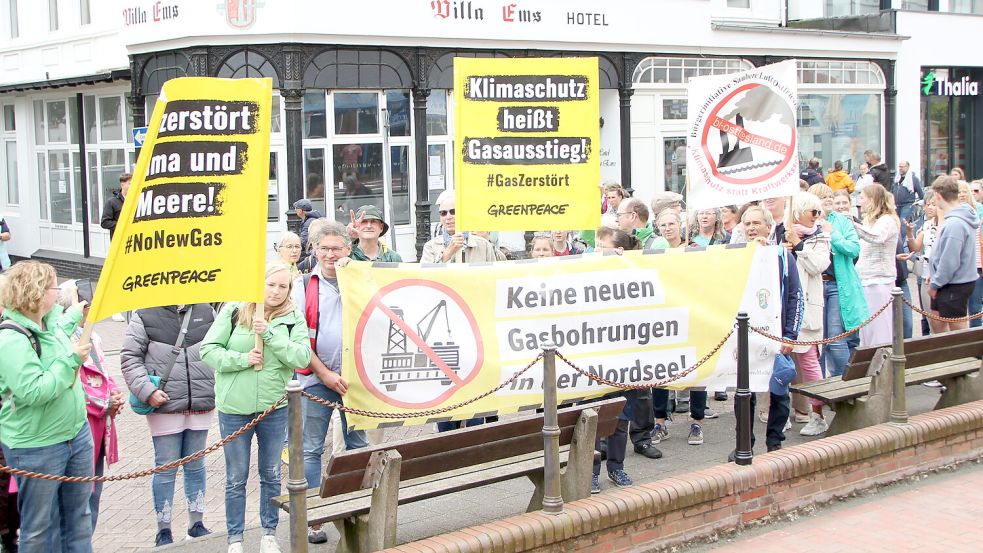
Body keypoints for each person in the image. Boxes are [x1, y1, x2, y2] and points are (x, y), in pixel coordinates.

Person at [201, 263, 311, 553]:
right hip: (234, 408)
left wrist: (271, 334)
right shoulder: (235, 310)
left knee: (271, 473)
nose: (276, 291)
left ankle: (268, 533)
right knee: (236, 476)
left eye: (283, 286)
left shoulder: (293, 318)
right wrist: (242, 359)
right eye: (271, 284)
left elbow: (301, 357)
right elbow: (208, 350)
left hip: (273, 408)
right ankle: (235, 538)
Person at [0, 261, 93, 553]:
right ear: (37, 293)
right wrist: (71, 360)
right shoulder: (10, 339)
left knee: (79, 518)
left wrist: (74, 315)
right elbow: (34, 390)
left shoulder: (47, 322)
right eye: (54, 287)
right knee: (39, 527)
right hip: (37, 445)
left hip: (75, 434)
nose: (58, 292)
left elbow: (55, 333)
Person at [292, 221, 369, 544]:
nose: (329, 254)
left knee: (358, 445)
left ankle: (357, 507)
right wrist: (324, 373)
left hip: (355, 380)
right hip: (316, 379)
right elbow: (298, 337)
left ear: (348, 249)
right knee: (311, 448)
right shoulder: (302, 285)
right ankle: (315, 517)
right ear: (314, 250)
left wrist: (356, 270)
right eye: (323, 248)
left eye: (336, 248)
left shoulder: (359, 276)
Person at [121, 303, 216, 547]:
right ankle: (163, 530)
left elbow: (217, 347)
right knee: (165, 467)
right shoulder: (145, 314)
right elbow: (130, 358)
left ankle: (196, 523)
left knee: (196, 465)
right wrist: (147, 391)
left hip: (200, 398)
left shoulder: (206, 311)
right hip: (164, 402)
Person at [728, 206, 803, 460]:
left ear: (768, 227)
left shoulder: (782, 257)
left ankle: (775, 442)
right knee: (743, 394)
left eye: (756, 223)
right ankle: (744, 442)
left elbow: (795, 296)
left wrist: (790, 335)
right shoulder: (734, 257)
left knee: (779, 390)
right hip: (745, 336)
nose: (751, 228)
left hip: (776, 335)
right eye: (747, 223)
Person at [56, 281, 124, 537]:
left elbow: (103, 372)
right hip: (80, 424)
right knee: (78, 501)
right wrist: (106, 402)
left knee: (93, 495)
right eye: (88, 306)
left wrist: (114, 392)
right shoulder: (64, 339)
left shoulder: (92, 336)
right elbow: (73, 382)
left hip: (100, 425)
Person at [591, 227, 640, 491]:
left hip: (624, 357)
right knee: (593, 418)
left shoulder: (635, 274)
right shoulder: (587, 272)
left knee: (621, 417)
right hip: (596, 358)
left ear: (620, 250)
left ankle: (617, 467)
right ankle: (591, 471)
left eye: (603, 245)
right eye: (596, 245)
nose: (597, 250)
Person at [783, 192, 831, 436]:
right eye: (813, 211)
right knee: (780, 363)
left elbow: (818, 266)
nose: (817, 216)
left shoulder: (820, 238)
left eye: (818, 211)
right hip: (783, 309)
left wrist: (799, 246)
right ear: (798, 212)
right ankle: (780, 413)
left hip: (807, 309)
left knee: (810, 363)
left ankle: (818, 415)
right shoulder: (781, 235)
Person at [810, 184, 867, 378]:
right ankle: (819, 386)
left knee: (836, 339)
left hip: (836, 284)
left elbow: (854, 249)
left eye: (829, 196)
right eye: (822, 197)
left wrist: (832, 233)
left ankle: (844, 382)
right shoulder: (807, 223)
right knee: (816, 341)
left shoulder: (841, 221)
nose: (827, 199)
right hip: (815, 285)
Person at [929, 176, 980, 333]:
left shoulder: (955, 223)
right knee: (938, 322)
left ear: (938, 195)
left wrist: (936, 284)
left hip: (953, 284)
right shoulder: (954, 218)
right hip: (949, 282)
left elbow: (950, 261)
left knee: (958, 332)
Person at [854, 183, 901, 347]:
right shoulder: (868, 221)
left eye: (862, 197)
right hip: (865, 280)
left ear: (872, 199)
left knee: (880, 330)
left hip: (879, 281)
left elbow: (877, 237)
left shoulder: (887, 220)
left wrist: (853, 224)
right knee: (867, 331)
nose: (859, 201)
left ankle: (883, 358)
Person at [421, 190, 499, 263]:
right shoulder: (430, 247)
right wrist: (448, 253)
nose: (448, 217)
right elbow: (426, 272)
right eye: (443, 213)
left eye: (453, 212)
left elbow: (494, 272)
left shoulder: (484, 245)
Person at [907, 190, 943, 334]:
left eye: (933, 204)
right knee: (930, 318)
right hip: (926, 274)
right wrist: (909, 233)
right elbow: (916, 247)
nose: (930, 208)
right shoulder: (926, 225)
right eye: (927, 205)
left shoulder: (947, 224)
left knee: (944, 320)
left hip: (942, 275)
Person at [100, 172, 131, 241]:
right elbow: (104, 223)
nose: (132, 186)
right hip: (119, 240)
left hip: (135, 240)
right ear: (122, 185)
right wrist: (122, 225)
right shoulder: (111, 202)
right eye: (130, 183)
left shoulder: (137, 200)